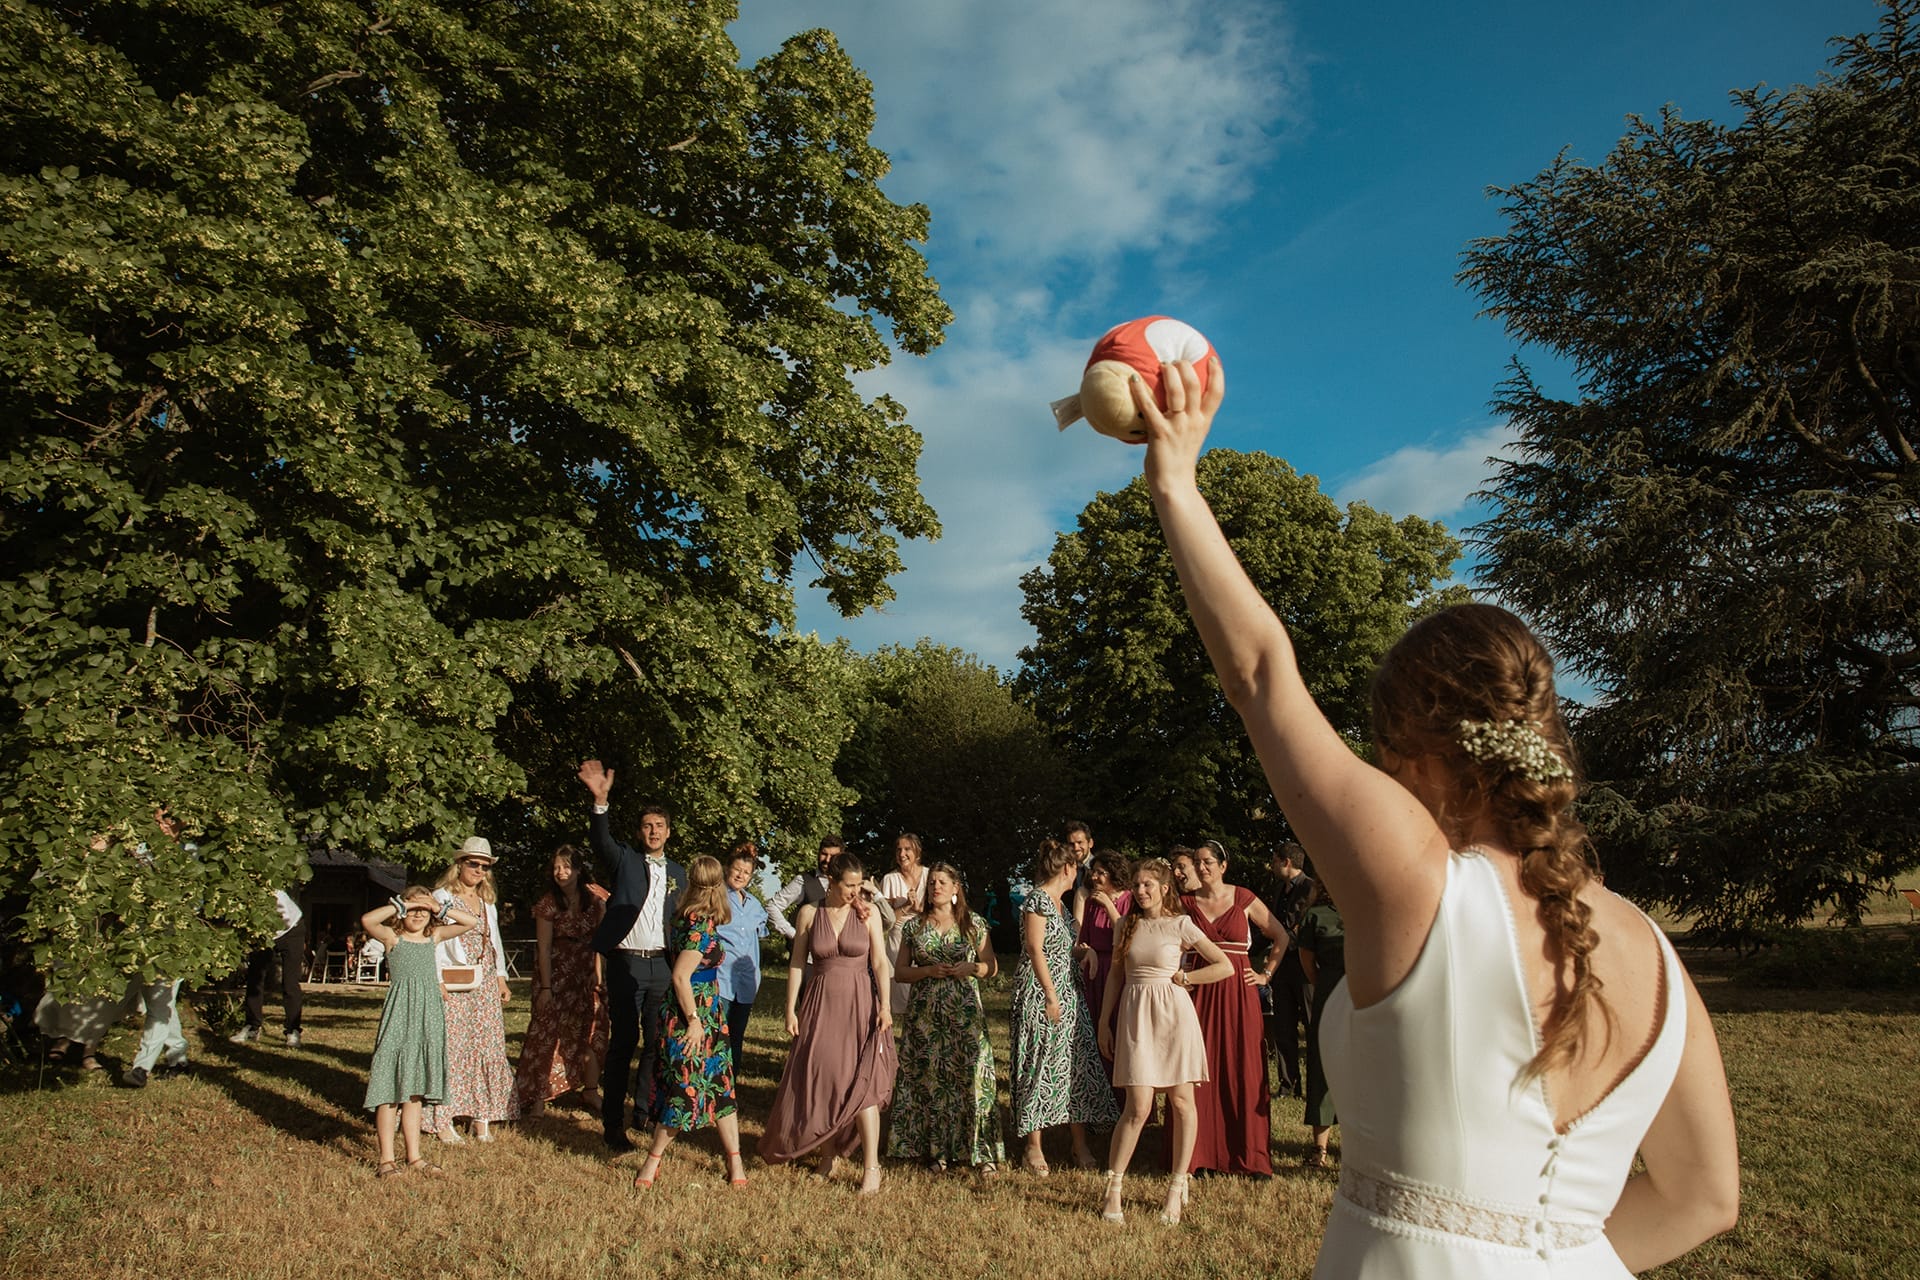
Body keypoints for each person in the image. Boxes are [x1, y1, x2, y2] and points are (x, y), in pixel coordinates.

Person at [1133, 358, 1738, 1274]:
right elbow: (1705, 1200)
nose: (1375, 771)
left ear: (1417, 746)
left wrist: (1175, 480)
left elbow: (1259, 675)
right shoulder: (1654, 948)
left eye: (1379, 745)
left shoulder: (1416, 877)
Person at [1096, 857, 1234, 1225]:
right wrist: (1104, 1022)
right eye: (1137, 885)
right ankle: (1114, 1189)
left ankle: (1176, 1187)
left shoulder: (1180, 924)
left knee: (1182, 1100)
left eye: (1147, 885)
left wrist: (1189, 979)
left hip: (1174, 1014)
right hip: (1136, 1013)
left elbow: (1224, 964)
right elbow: (1114, 977)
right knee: (1138, 1106)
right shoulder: (1125, 924)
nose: (1141, 891)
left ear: (1163, 888)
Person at [759, 852, 896, 1195]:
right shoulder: (809, 913)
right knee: (823, 1080)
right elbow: (795, 964)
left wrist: (886, 1005)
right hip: (819, 1004)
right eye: (849, 885)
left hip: (859, 1003)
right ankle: (827, 1155)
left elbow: (879, 962)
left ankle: (871, 1168)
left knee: (861, 1082)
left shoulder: (867, 913)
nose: (855, 891)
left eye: (859, 884)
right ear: (831, 882)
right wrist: (791, 1008)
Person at [579, 759, 688, 1153]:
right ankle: (613, 1126)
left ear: (669, 832)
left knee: (656, 1045)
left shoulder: (679, 871)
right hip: (626, 962)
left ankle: (644, 1113)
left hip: (663, 964)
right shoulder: (624, 859)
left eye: (659, 825)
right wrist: (600, 803)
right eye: (647, 825)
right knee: (623, 1043)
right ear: (640, 831)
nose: (653, 831)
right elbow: (600, 842)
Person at [634, 856, 748, 1190]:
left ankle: (735, 1162)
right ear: (717, 887)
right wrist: (694, 1021)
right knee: (684, 1090)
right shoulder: (698, 926)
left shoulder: (685, 918)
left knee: (721, 1087)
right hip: (692, 1016)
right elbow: (681, 977)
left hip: (710, 1015)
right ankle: (651, 1163)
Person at [887, 862, 1005, 1175]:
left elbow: (992, 966)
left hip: (964, 1014)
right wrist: (927, 970)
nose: (936, 887)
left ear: (955, 889)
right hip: (925, 1017)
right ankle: (935, 1151)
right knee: (931, 1081)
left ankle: (980, 1152)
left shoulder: (973, 924)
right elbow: (899, 973)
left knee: (971, 1080)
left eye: (942, 882)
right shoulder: (914, 926)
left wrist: (974, 968)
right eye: (932, 883)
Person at [1009, 838, 1118, 1173]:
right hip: (1042, 994)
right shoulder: (1038, 900)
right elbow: (1035, 948)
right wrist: (1050, 995)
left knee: (1074, 1065)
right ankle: (1033, 1147)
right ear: (1068, 868)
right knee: (1039, 1063)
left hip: (1069, 993)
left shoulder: (1061, 904)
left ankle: (1079, 1143)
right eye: (1077, 870)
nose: (1079, 877)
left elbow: (1062, 947)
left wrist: (1084, 953)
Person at [1182, 838, 1287, 1177]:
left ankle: (1250, 1156)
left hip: (1239, 994)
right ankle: (1201, 1155)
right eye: (1197, 862)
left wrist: (1266, 974)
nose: (1201, 867)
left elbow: (1280, 936)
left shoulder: (1243, 898)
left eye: (1208, 861)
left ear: (1223, 865)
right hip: (1199, 990)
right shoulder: (1184, 903)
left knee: (1244, 1067)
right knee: (1201, 1068)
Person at [360, 886, 480, 1177]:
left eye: (422, 911)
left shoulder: (434, 937)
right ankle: (386, 1159)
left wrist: (437, 907)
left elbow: (470, 922)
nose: (417, 914)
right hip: (400, 1014)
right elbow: (368, 920)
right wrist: (402, 905)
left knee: (413, 1092)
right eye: (412, 910)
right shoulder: (392, 938)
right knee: (389, 1087)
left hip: (428, 1017)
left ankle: (414, 1156)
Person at [426, 837, 520, 1142]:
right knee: (453, 1047)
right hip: (453, 978)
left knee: (487, 1044)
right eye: (473, 864)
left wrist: (501, 977)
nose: (479, 870)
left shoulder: (486, 900)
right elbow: (434, 940)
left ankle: (482, 1116)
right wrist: (436, 977)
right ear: (460, 864)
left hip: (484, 978)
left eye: (484, 865)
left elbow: (495, 942)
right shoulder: (441, 897)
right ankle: (444, 1117)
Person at [512, 844, 610, 1118]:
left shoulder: (597, 898)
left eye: (567, 867)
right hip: (555, 973)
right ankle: (537, 1097)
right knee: (545, 1033)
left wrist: (599, 976)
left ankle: (590, 1090)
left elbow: (603, 941)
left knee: (594, 1029)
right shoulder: (548, 903)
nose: (561, 872)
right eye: (556, 867)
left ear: (578, 870)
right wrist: (545, 988)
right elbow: (543, 948)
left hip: (587, 971)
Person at [1295, 881, 1345, 1169]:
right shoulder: (1316, 914)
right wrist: (1327, 986)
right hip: (1329, 997)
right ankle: (1320, 1149)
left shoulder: (1368, 908)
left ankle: (1357, 1149)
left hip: (1366, 1000)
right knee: (1322, 1068)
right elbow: (1307, 962)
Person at [768, 834, 896, 941]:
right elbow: (772, 906)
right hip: (811, 959)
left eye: (832, 856)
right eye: (824, 854)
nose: (827, 860)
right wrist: (795, 935)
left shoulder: (856, 884)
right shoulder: (804, 881)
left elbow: (888, 921)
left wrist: (876, 892)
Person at [1265, 842, 1316, 1098]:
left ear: (1286, 862)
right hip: (1282, 966)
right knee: (1283, 1026)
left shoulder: (1310, 888)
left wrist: (1281, 938)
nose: (1272, 865)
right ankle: (1288, 1085)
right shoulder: (1278, 890)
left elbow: (1305, 926)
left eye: (1275, 860)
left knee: (1311, 1023)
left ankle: (1316, 1085)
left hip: (1303, 963)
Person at [1070, 850, 1132, 1060]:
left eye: (1100, 872)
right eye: (1093, 872)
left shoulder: (1130, 900)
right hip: (1095, 973)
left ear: (1114, 873)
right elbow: (1081, 941)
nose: (1094, 877)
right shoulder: (1090, 903)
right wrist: (1086, 950)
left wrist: (1108, 905)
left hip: (1119, 970)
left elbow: (1128, 935)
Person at [714, 842, 771, 1069]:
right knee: (718, 1036)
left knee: (736, 1038)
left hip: (746, 984)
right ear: (728, 868)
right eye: (738, 869)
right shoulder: (716, 898)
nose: (741, 875)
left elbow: (762, 932)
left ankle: (731, 1088)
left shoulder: (754, 905)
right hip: (721, 980)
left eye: (746, 872)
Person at [230, 887, 306, 1048]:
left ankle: (293, 1030)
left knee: (290, 983)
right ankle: (252, 1026)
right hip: (264, 933)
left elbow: (279, 919)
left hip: (292, 929)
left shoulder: (272, 891)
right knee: (255, 978)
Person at [880, 832, 929, 1016]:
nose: (902, 854)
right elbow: (885, 919)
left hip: (926, 934)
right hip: (898, 938)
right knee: (900, 987)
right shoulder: (890, 880)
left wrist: (920, 910)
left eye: (907, 849)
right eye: (899, 849)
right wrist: (907, 906)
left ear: (917, 851)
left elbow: (940, 910)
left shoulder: (930, 875)